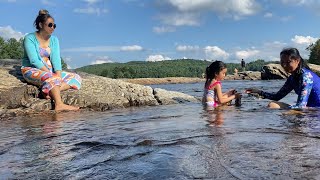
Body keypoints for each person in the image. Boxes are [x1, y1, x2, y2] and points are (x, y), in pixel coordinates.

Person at [21, 9, 82, 112]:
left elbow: (56, 58)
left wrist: (58, 74)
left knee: (76, 77)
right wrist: (53, 76)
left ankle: (48, 91)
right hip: (32, 70)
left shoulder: (54, 40)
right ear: (41, 25)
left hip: (50, 71)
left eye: (54, 25)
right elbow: (34, 60)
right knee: (53, 78)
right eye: (50, 25)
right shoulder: (29, 38)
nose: (53, 28)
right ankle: (59, 104)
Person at [246, 47, 320, 109]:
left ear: (297, 61)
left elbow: (301, 106)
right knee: (272, 105)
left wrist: (285, 113)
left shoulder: (306, 77)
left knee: (277, 108)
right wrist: (259, 92)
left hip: (316, 111)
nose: (284, 66)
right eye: (282, 63)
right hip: (309, 109)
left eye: (288, 62)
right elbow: (277, 97)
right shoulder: (292, 78)